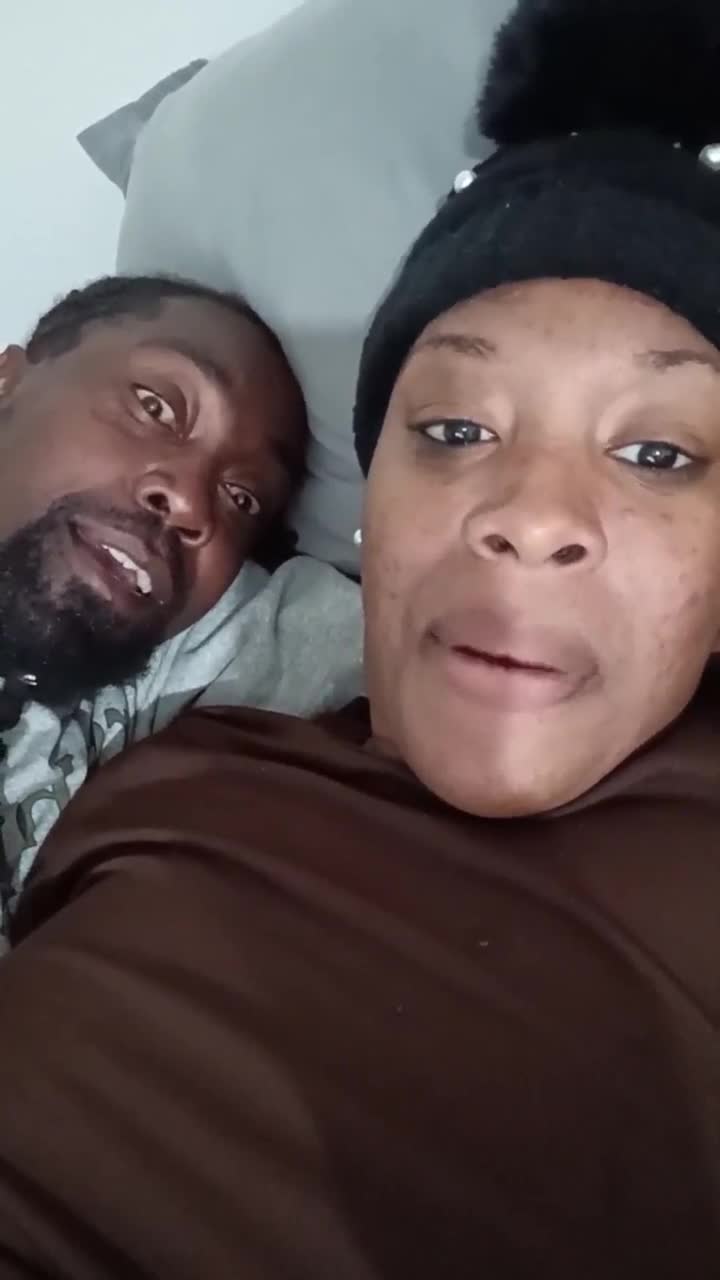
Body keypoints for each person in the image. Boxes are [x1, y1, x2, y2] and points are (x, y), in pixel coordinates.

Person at [0, 0, 719, 1275]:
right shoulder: (167, 781)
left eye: (659, 452)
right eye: (454, 430)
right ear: (372, 505)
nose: (530, 516)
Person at [0, 274, 361, 927]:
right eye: (156, 408)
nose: (192, 503)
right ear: (8, 381)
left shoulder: (186, 651)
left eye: (242, 497)